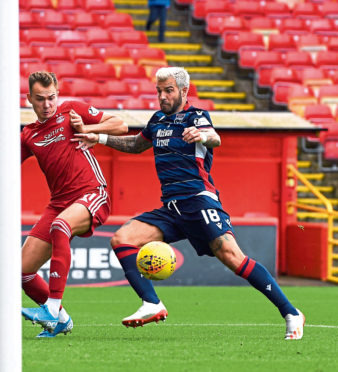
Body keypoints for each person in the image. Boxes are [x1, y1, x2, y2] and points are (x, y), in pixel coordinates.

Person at [73, 66, 305, 340]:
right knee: (122, 238)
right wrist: (98, 138)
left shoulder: (196, 117)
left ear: (184, 91)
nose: (162, 96)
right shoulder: (157, 120)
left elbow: (214, 138)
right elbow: (136, 145)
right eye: (159, 91)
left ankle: (291, 313)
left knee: (233, 258)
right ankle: (151, 303)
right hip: (171, 208)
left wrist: (202, 136)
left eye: (168, 90)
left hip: (198, 201)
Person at [19, 71, 128, 338]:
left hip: (92, 193)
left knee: (60, 226)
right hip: (58, 203)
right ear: (29, 99)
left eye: (52, 97)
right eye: (41, 99)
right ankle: (62, 320)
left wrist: (87, 129)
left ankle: (52, 309)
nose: (47, 104)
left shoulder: (72, 111)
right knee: (21, 272)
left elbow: (120, 124)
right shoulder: (28, 135)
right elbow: (0, 169)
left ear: (58, 94)